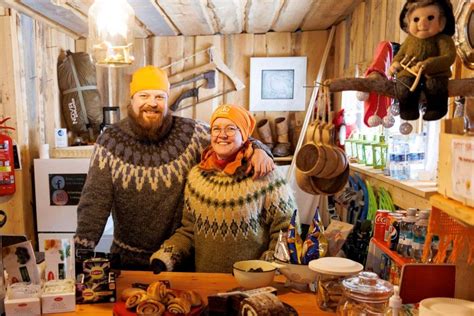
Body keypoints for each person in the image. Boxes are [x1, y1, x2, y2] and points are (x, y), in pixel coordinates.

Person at [74, 66, 275, 269]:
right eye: (144, 95)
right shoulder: (110, 140)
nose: (151, 103)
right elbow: (94, 201)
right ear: (132, 99)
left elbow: (231, 140)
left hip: (182, 259)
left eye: (159, 97)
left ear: (167, 100)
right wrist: (80, 253)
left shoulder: (193, 133)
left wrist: (259, 149)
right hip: (128, 262)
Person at [150, 104, 295, 273]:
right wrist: (165, 257)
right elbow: (189, 231)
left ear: (244, 135)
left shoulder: (266, 174)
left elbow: (287, 230)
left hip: (254, 284)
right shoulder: (197, 177)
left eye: (231, 128)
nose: (222, 135)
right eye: (216, 129)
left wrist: (266, 268)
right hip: (207, 283)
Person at [389, 0, 456, 121]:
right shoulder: (409, 40)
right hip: (409, 72)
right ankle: (408, 109)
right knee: (403, 86)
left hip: (434, 73)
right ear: (408, 23)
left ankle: (436, 109)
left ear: (441, 22)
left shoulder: (443, 40)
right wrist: (395, 64)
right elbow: (400, 54)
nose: (422, 24)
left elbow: (449, 57)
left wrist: (428, 64)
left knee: (434, 86)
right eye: (416, 19)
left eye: (430, 18)